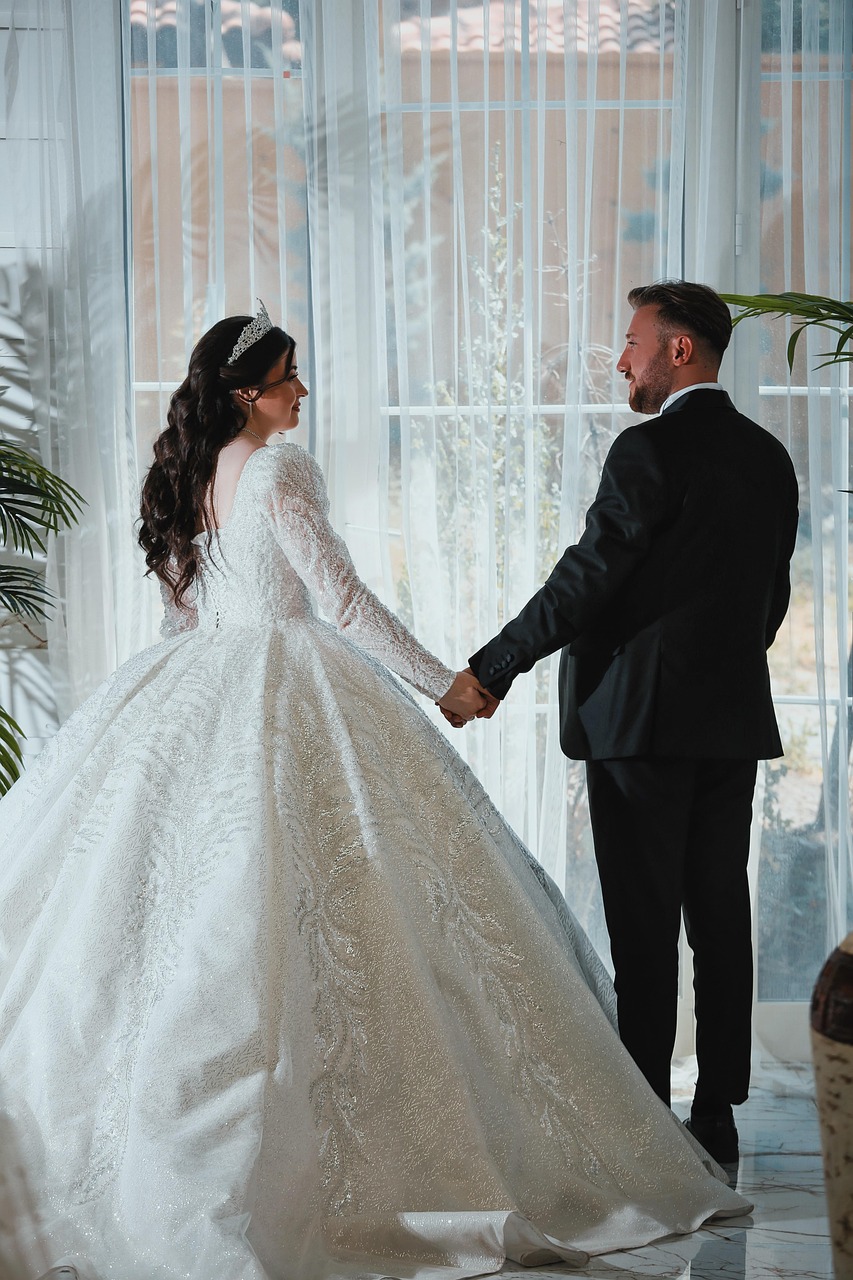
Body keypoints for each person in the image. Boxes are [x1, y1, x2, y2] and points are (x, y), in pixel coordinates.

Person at [0, 303, 750, 1280]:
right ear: (246, 395)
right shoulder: (275, 467)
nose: (301, 392)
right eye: (286, 378)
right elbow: (341, 600)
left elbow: (186, 615)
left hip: (193, 684)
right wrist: (450, 683)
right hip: (287, 681)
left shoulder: (189, 478)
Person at [468, 280, 799, 1185]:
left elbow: (589, 578)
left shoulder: (647, 449)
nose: (621, 360)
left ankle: (645, 1112)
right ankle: (718, 1113)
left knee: (644, 928)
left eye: (631, 342)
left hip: (638, 727)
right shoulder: (770, 456)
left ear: (679, 351)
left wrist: (493, 666)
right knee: (719, 918)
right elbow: (767, 594)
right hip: (728, 723)